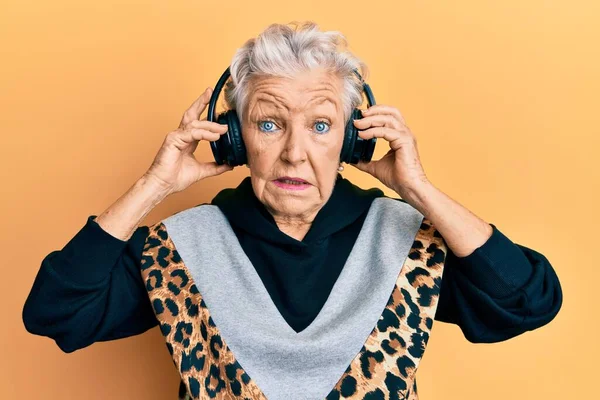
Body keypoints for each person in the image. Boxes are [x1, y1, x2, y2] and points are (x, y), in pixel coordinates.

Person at [22, 21, 562, 400]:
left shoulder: (409, 240)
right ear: (235, 138)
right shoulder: (179, 248)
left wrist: (419, 191)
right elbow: (55, 312)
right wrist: (153, 184)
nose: (295, 152)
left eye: (322, 126)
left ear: (354, 139)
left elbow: (530, 300)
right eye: (269, 123)